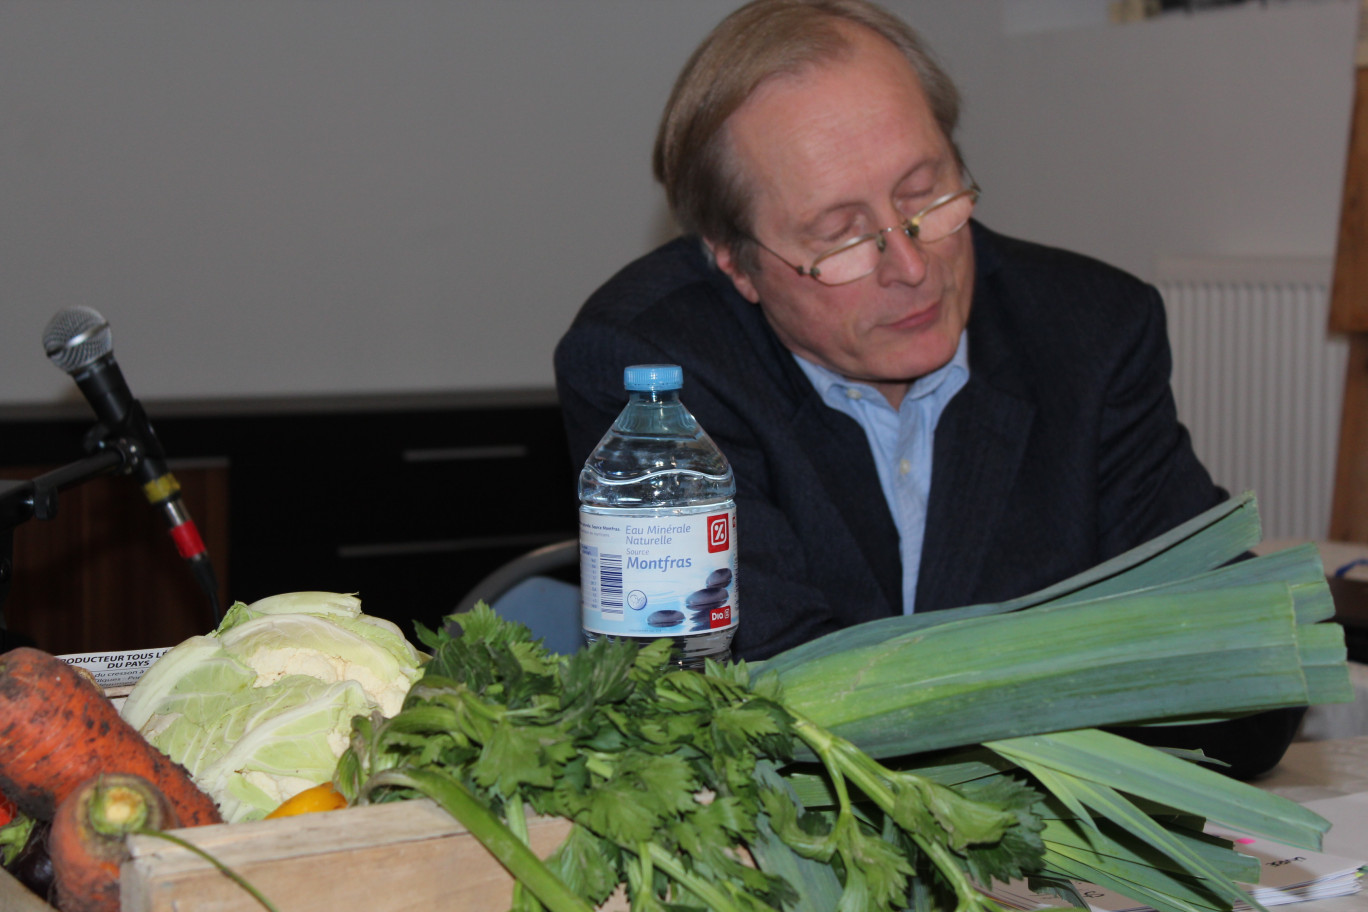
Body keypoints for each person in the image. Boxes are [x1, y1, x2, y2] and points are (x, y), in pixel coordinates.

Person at [554, 0, 1300, 776]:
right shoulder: (653, 369)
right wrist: (1072, 683)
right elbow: (767, 714)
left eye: (925, 196)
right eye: (840, 235)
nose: (911, 267)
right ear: (736, 264)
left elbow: (1246, 666)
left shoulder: (1093, 333)